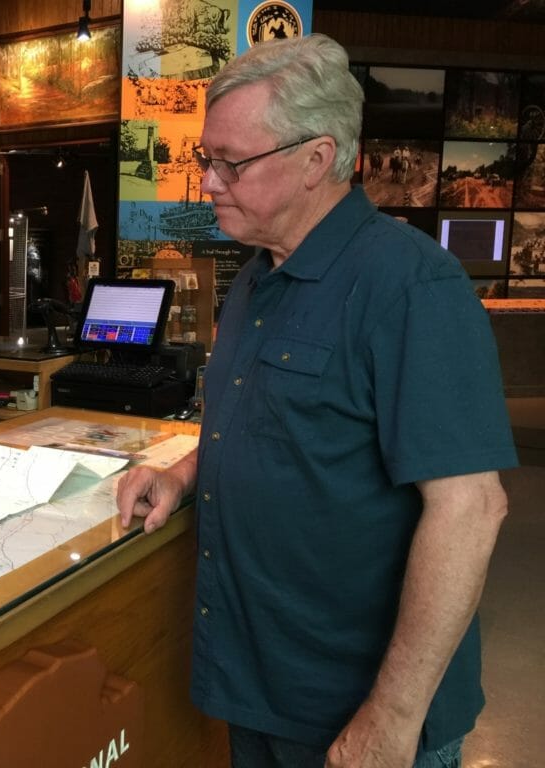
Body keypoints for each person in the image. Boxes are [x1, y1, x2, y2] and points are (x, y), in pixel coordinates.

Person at [117, 34, 517, 768]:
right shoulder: (255, 280)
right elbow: (256, 426)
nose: (208, 181)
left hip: (358, 716)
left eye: (231, 162)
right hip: (259, 689)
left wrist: (391, 717)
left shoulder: (410, 289)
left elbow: (471, 508)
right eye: (206, 159)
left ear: (317, 158)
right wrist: (180, 476)